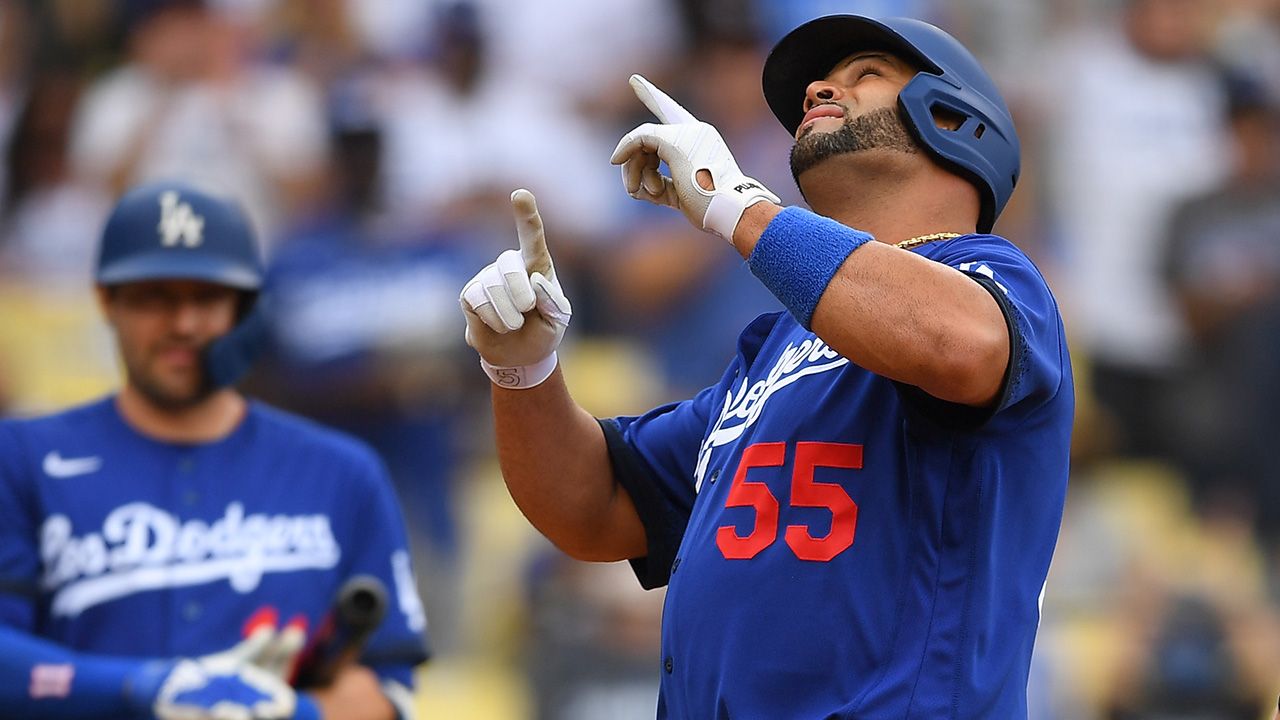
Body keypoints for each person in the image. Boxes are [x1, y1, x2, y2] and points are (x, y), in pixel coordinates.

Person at [459, 13, 1073, 718]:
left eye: (865, 73)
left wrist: (737, 205)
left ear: (954, 119)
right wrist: (524, 370)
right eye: (820, 82)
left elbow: (960, 346)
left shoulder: (993, 274)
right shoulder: (774, 347)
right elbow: (593, 508)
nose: (818, 89)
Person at [0, 181, 429, 719]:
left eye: (206, 297)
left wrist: (282, 712)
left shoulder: (343, 472)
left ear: (243, 309)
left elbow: (386, 691)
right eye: (155, 297)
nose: (183, 325)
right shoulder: (21, 456)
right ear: (106, 300)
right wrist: (149, 686)